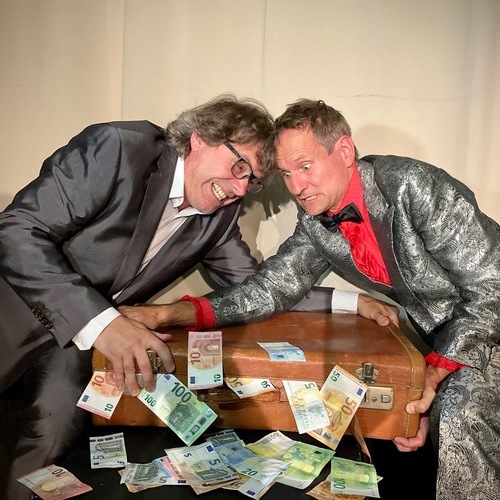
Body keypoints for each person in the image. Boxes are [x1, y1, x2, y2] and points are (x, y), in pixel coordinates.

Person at [0, 94, 393, 499]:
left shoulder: (219, 218)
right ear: (200, 138)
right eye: (239, 167)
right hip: (12, 310)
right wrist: (104, 325)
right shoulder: (118, 148)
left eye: (252, 181)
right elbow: (15, 231)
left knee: (46, 453)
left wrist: (351, 302)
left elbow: (260, 288)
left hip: (70, 347)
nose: (239, 189)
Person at [121, 99, 500, 499]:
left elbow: (493, 282)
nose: (296, 187)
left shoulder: (412, 185)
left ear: (344, 151)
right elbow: (270, 289)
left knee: (459, 411)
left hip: (488, 325)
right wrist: (172, 313)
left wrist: (436, 374)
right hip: (448, 341)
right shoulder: (316, 222)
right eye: (286, 173)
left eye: (305, 166)